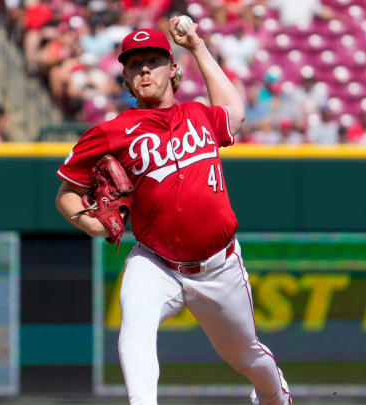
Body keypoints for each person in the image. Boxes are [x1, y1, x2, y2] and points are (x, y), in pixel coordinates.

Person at [55, 20, 292, 405]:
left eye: (153, 61)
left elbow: (235, 111)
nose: (144, 70)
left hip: (218, 266)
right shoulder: (111, 133)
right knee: (135, 326)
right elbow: (67, 193)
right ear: (127, 79)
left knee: (245, 354)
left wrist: (197, 45)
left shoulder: (200, 115)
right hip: (156, 262)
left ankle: (274, 394)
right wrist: (91, 224)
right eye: (135, 65)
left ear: (173, 69)